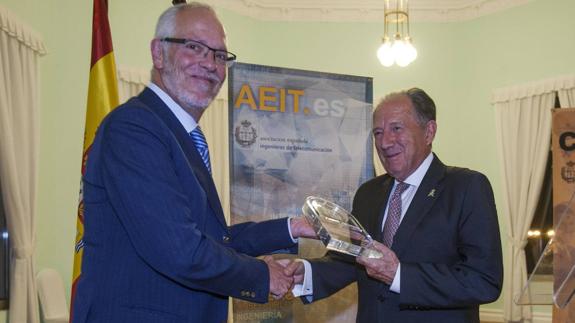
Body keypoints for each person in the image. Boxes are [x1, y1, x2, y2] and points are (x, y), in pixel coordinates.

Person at [72, 3, 314, 323]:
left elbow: (212, 240)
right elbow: (180, 250)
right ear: (159, 53)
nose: (209, 63)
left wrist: (292, 227)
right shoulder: (135, 128)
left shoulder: (179, 134)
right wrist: (262, 275)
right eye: (194, 47)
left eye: (219, 55)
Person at [285, 88, 503, 323]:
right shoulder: (368, 193)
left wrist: (400, 276)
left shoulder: (466, 187)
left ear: (429, 132)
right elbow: (350, 260)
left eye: (396, 129)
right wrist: (305, 274)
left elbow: (484, 281)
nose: (385, 142)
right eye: (378, 132)